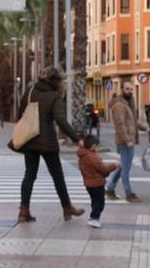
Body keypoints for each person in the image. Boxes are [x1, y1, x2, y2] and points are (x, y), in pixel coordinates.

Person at [16, 67, 85, 223]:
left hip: (30, 139)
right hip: (47, 141)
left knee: (29, 175)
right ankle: (67, 207)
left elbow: (20, 112)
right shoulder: (53, 96)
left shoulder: (30, 91)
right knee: (57, 175)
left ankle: (24, 210)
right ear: (56, 81)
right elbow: (61, 120)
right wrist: (76, 138)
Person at [106, 84, 147, 202]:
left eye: (131, 90)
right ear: (122, 90)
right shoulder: (119, 105)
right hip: (125, 141)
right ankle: (129, 194)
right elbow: (120, 125)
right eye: (127, 89)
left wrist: (146, 128)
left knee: (123, 166)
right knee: (126, 168)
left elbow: (132, 122)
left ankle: (110, 189)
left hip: (128, 140)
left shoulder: (127, 104)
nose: (130, 91)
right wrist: (127, 140)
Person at [76, 133, 119, 228]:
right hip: (97, 184)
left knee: (94, 201)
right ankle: (94, 218)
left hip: (89, 184)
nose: (98, 148)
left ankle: (93, 217)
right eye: (97, 146)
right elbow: (103, 169)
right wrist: (114, 165)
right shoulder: (93, 157)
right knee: (100, 203)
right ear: (93, 146)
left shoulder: (83, 156)